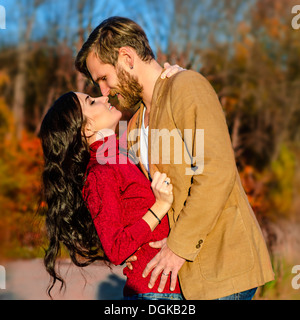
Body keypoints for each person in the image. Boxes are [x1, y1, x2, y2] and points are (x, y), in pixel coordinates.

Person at [75, 16, 275, 300]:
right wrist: (132, 249)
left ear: (127, 57)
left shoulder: (186, 87)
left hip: (221, 269)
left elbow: (215, 173)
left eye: (104, 79)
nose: (105, 91)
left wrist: (178, 247)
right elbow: (138, 197)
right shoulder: (134, 124)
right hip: (182, 278)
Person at [39, 91, 184, 300]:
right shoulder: (99, 172)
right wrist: (160, 206)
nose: (104, 98)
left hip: (168, 289)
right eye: (91, 101)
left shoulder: (118, 156)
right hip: (155, 292)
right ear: (87, 128)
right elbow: (116, 248)